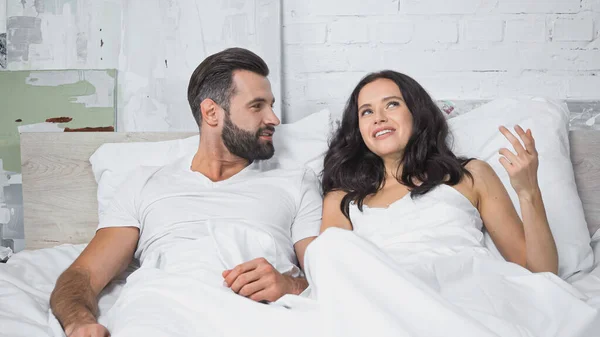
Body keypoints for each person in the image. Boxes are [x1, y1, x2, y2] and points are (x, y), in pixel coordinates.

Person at [49, 48, 322, 337]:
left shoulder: (295, 183)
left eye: (271, 105)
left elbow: (328, 279)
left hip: (256, 314)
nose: (274, 118)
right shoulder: (145, 184)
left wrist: (289, 286)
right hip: (161, 311)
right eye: (257, 106)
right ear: (211, 112)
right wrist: (79, 322)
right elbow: (84, 275)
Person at [304, 70, 597, 336]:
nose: (378, 117)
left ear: (416, 113)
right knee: (327, 248)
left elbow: (539, 272)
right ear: (359, 128)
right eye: (366, 112)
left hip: (462, 290)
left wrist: (528, 190)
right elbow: (331, 275)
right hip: (387, 301)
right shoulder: (342, 198)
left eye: (392, 104)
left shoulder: (470, 175)